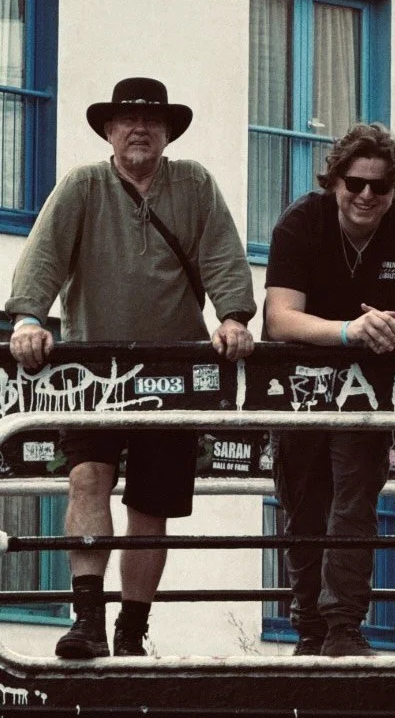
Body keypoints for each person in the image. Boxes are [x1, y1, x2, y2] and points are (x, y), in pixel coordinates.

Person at [5, 77, 256, 659]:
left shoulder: (194, 184)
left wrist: (233, 317)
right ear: (109, 130)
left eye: (151, 120)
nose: (139, 129)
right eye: (127, 119)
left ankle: (131, 631)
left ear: (167, 132)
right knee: (86, 478)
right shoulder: (83, 185)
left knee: (152, 504)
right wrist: (27, 321)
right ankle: (88, 619)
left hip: (173, 370)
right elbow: (42, 257)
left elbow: (223, 255)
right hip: (93, 368)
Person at [264, 122, 395, 657]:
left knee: (354, 501)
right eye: (355, 183)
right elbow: (279, 317)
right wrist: (349, 330)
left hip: (368, 386)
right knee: (302, 504)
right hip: (299, 386)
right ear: (334, 182)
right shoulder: (301, 220)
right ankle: (309, 629)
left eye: (381, 186)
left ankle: (344, 627)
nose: (367, 195)